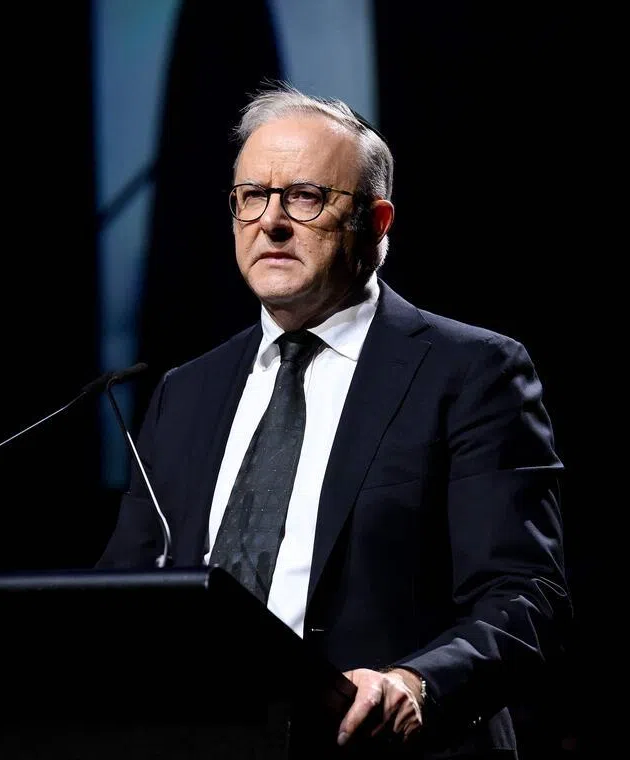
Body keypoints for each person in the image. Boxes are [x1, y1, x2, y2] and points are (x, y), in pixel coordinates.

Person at [98, 82, 571, 758]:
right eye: (252, 197)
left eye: (305, 197)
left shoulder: (472, 372)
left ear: (377, 224)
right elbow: (127, 596)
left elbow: (527, 597)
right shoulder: (186, 391)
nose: (272, 221)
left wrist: (416, 684)